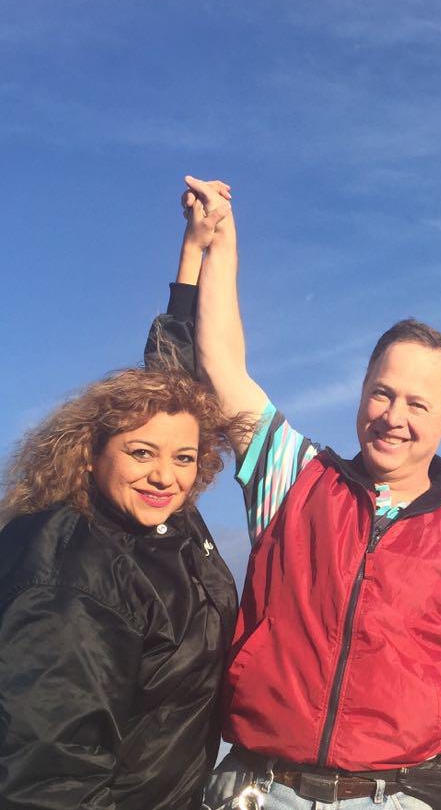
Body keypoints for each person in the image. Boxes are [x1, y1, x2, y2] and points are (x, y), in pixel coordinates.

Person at [179, 177, 441, 810]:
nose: (393, 416)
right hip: (263, 789)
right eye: (382, 393)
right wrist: (220, 244)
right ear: (361, 391)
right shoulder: (293, 476)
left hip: (399, 796)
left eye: (417, 404)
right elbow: (222, 369)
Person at [0, 193, 244, 810]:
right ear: (90, 453)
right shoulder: (69, 580)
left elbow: (172, 377)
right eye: (141, 453)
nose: (165, 476)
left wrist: (196, 250)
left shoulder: (156, 520)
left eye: (184, 458)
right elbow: (48, 778)